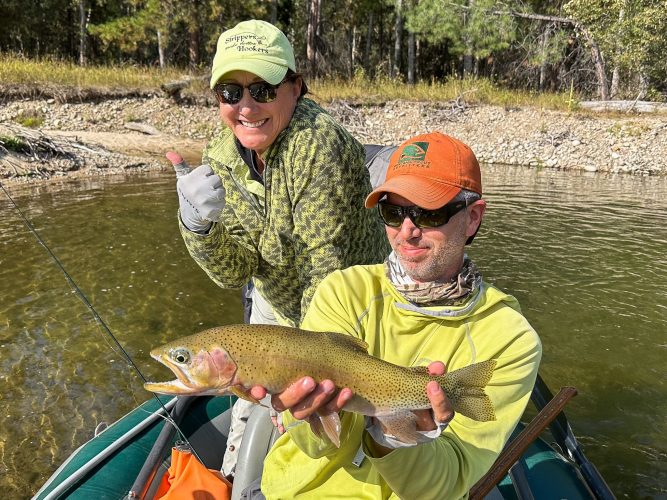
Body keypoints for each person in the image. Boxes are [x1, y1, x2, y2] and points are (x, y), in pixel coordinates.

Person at [248, 132, 542, 498]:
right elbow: (312, 446)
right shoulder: (343, 291)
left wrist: (395, 440)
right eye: (393, 212)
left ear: (472, 219)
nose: (407, 231)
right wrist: (305, 417)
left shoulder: (509, 337)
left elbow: (449, 484)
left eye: (429, 212)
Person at [172, 19, 389, 477]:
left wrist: (293, 383)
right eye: (230, 93)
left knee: (318, 433)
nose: (246, 107)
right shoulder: (220, 157)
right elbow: (238, 270)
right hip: (273, 306)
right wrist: (199, 225)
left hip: (348, 308)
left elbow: (323, 273)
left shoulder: (318, 146)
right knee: (248, 430)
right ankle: (234, 477)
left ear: (295, 87)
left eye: (263, 89)